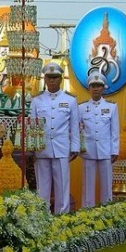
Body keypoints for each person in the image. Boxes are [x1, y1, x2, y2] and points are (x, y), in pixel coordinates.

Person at [29, 62, 79, 213]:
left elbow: (74, 126)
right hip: (41, 148)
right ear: (44, 79)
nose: (52, 80)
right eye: (49, 77)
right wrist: (32, 147)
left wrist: (75, 146)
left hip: (61, 148)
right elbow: (32, 126)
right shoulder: (37, 100)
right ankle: (42, 216)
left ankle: (62, 216)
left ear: (61, 79)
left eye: (55, 77)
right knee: (42, 186)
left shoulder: (70, 100)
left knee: (62, 185)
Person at [79, 72, 119, 208]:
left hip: (105, 151)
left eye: (99, 86)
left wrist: (114, 150)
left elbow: (114, 131)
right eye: (93, 86)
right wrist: (78, 146)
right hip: (88, 151)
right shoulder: (81, 108)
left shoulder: (111, 107)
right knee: (87, 185)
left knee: (106, 185)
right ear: (89, 88)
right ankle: (87, 212)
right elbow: (76, 129)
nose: (96, 88)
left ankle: (106, 211)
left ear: (103, 88)